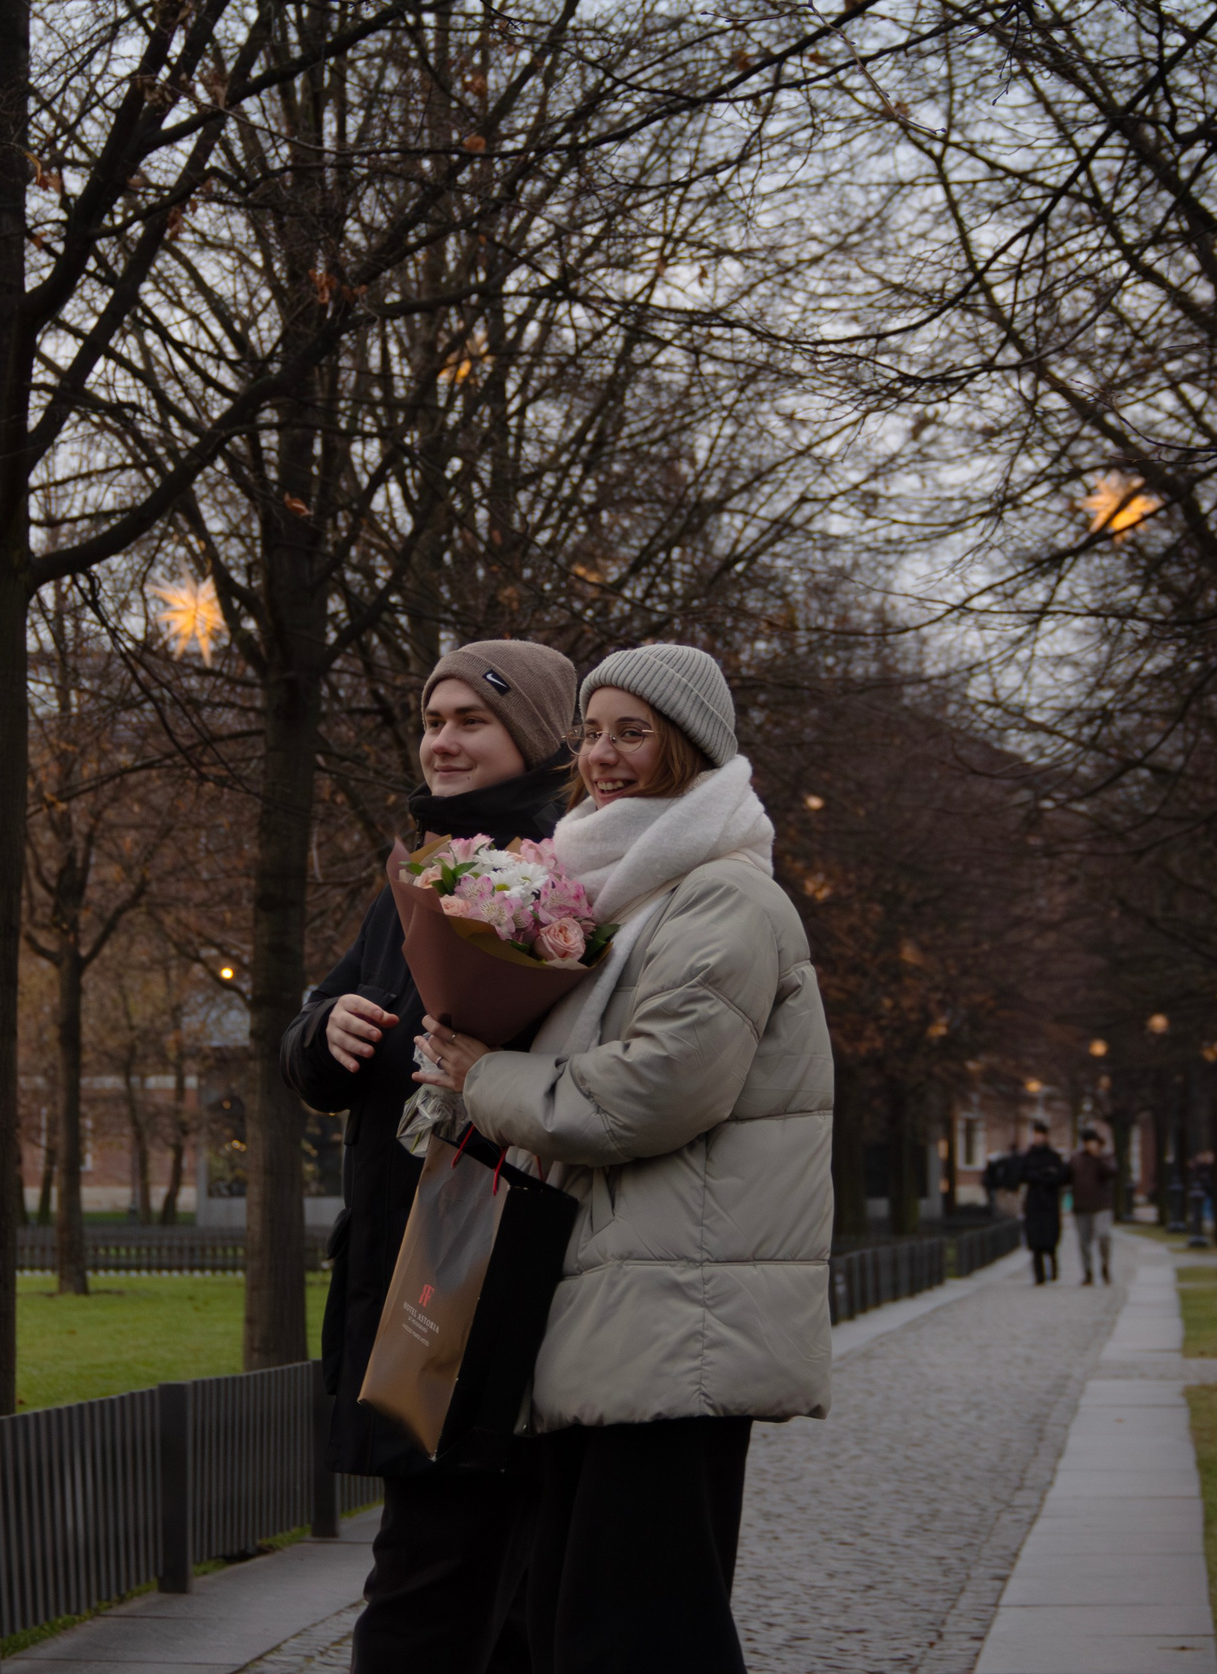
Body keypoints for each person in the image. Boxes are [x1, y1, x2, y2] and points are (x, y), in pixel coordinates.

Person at [421, 643, 834, 1674]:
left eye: (632, 733)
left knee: (637, 1633)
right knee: (581, 1625)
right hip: (609, 1305)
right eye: (593, 731)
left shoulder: (723, 899)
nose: (602, 755)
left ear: (688, 749)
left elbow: (654, 1092)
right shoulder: (609, 892)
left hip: (677, 1313)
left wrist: (482, 1079)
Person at [279, 638, 579, 1674]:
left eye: (471, 721)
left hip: (482, 1279)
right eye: (433, 720)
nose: (441, 741)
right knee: (473, 1591)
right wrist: (324, 1030)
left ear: (533, 739)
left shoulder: (559, 880)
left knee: (431, 1595)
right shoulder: (409, 880)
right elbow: (315, 1035)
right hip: (412, 1271)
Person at [1016, 1120, 1071, 1284]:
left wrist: (1046, 1177)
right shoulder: (1027, 1156)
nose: (1038, 1138)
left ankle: (1053, 1269)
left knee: (1050, 1238)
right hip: (1034, 1202)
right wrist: (1040, 1176)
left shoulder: (1054, 1157)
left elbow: (1062, 1177)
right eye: (1035, 1135)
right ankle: (1038, 1275)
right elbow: (1021, 1175)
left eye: (1040, 1135)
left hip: (1050, 1201)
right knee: (1035, 1239)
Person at [1069, 1125, 1116, 1286]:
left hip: (1101, 1205)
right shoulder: (1075, 1159)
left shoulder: (1105, 1157)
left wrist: (1097, 1157)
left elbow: (1111, 1173)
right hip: (1081, 1206)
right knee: (1084, 1242)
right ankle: (1087, 1272)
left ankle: (1105, 1266)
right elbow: (1067, 1177)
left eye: (1092, 1142)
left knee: (1104, 1235)